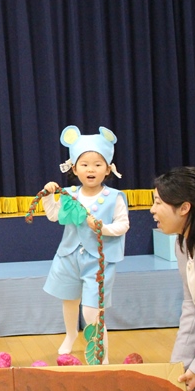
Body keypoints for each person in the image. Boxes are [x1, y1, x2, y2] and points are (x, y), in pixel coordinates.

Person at [41, 126, 129, 363]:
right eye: (85, 164)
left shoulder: (114, 197)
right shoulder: (69, 194)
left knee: (92, 309)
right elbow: (54, 215)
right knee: (69, 300)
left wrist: (103, 228)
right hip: (68, 257)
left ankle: (101, 354)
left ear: (108, 169)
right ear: (74, 168)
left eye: (98, 164)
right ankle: (70, 334)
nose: (91, 169)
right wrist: (48, 196)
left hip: (98, 261)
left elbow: (123, 225)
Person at [152, 166, 195, 391]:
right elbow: (193, 307)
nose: (152, 210)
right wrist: (177, 369)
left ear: (184, 207)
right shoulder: (183, 243)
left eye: (158, 202)